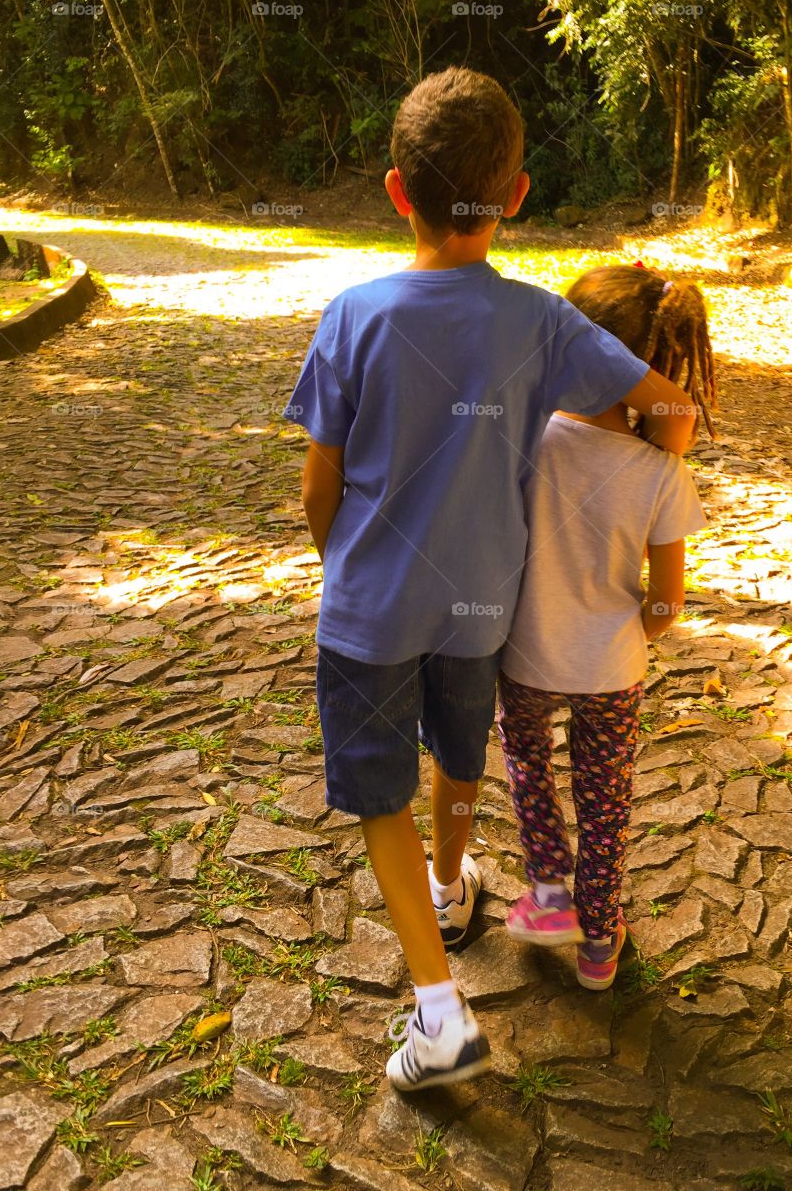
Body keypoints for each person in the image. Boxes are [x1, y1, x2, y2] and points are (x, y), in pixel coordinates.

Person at [284, 69, 698, 1090]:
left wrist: (343, 560)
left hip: (374, 605)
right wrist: (638, 476)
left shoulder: (354, 315)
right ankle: (452, 877)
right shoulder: (539, 323)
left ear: (395, 190)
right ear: (514, 197)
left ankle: (438, 1009)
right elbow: (667, 405)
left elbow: (318, 488)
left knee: (381, 790)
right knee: (458, 748)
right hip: (481, 606)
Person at [498, 263, 715, 991]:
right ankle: (599, 944)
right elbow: (666, 602)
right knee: (605, 798)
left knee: (527, 762)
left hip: (522, 655)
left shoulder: (521, 441)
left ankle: (549, 893)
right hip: (612, 669)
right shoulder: (659, 473)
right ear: (659, 365)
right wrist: (634, 634)